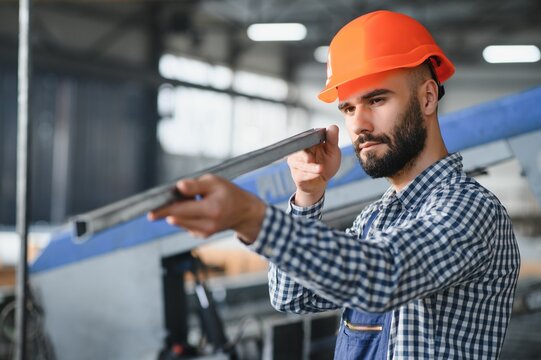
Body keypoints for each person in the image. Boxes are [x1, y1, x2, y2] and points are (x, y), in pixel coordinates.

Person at [149, 10, 521, 359]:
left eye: (376, 99)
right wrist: (308, 198)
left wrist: (252, 218)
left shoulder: (471, 210)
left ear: (427, 98)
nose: (359, 123)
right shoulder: (376, 218)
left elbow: (384, 274)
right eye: (348, 108)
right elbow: (291, 297)